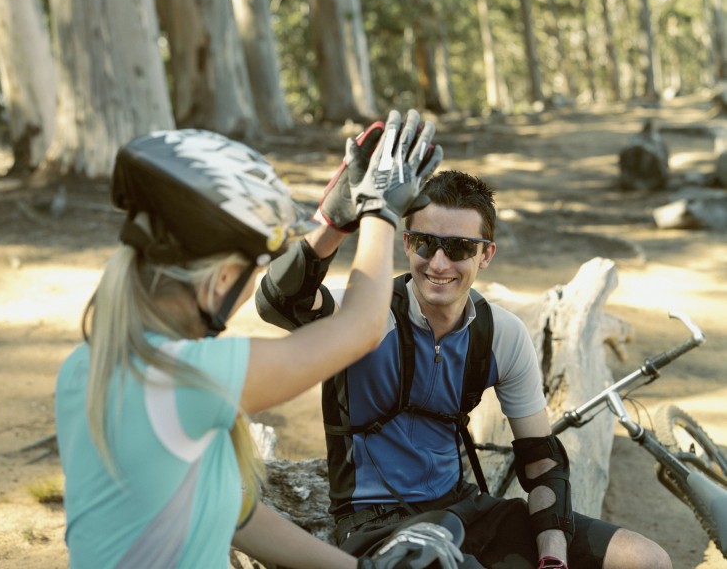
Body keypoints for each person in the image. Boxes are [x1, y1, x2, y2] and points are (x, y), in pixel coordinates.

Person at [54, 113, 469, 569]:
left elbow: (233, 513)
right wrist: (381, 211)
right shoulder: (185, 379)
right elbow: (362, 329)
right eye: (253, 272)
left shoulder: (87, 366)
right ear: (224, 280)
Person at [256, 165, 674, 568]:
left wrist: (552, 557)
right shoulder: (366, 313)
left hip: (465, 509)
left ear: (485, 254)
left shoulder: (500, 334)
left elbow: (542, 461)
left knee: (647, 560)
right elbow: (277, 299)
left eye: (457, 249)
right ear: (406, 244)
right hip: (378, 527)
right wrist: (337, 221)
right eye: (424, 243)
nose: (438, 263)